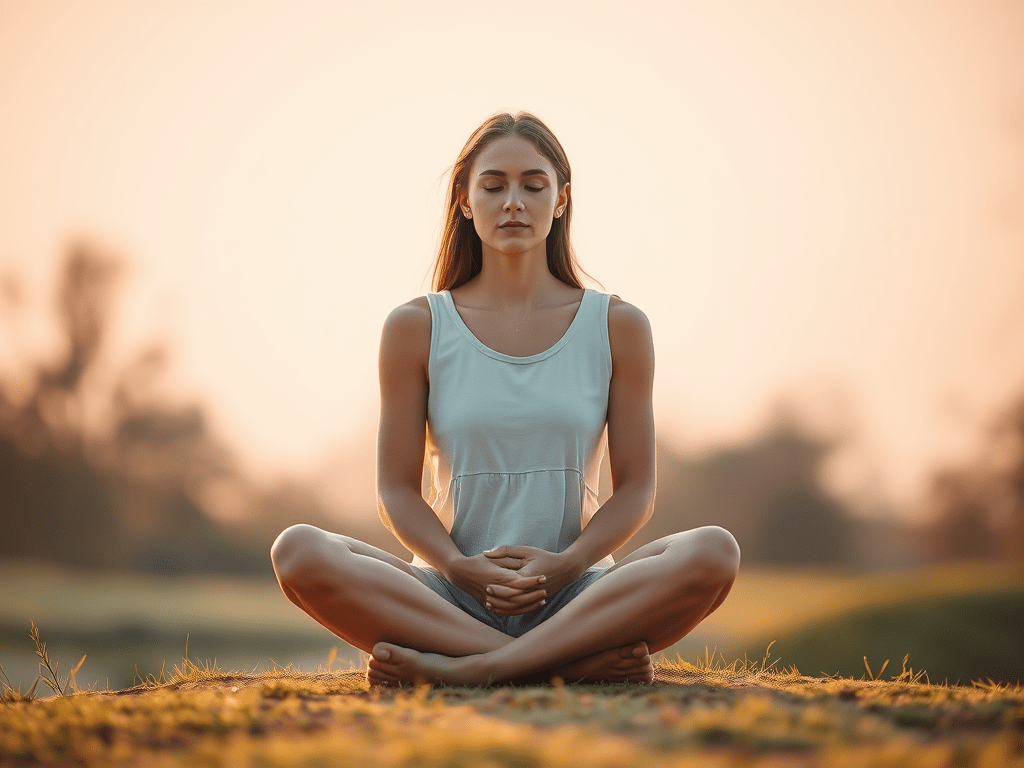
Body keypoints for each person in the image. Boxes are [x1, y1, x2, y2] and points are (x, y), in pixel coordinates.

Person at [270, 112, 740, 687]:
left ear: (562, 199)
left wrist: (567, 563)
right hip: (446, 595)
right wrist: (458, 567)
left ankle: (484, 668)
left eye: (532, 185)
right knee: (296, 551)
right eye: (493, 186)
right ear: (465, 201)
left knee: (715, 552)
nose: (513, 202)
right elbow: (396, 489)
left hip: (580, 594)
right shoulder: (416, 326)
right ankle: (561, 664)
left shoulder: (618, 325)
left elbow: (637, 489)